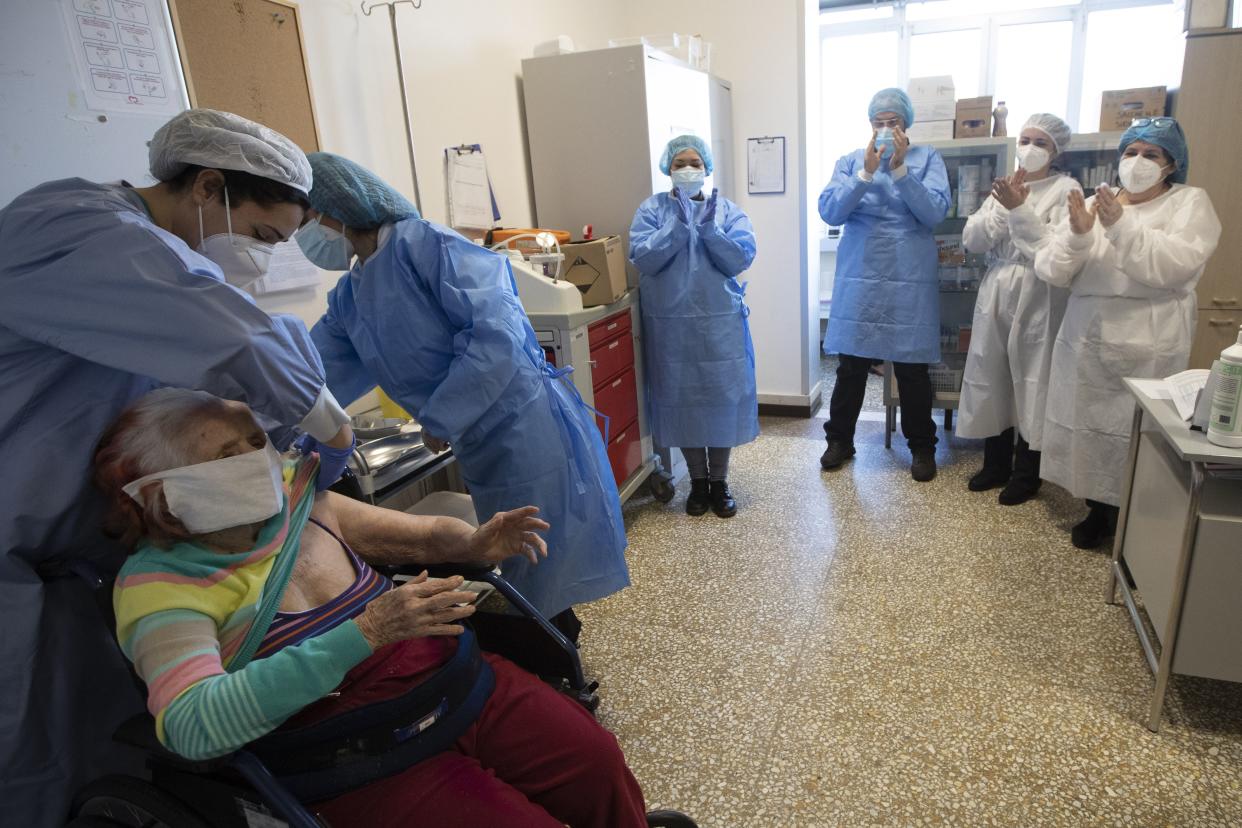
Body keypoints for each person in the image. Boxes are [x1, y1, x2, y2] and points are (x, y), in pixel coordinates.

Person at [0, 109, 356, 823]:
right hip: (18, 555)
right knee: (30, 755)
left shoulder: (166, 269)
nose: (259, 258)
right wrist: (318, 410)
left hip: (82, 556)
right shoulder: (71, 227)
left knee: (102, 749)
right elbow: (228, 334)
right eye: (261, 237)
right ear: (208, 186)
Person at [97, 388, 649, 827]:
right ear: (162, 494)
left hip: (458, 685)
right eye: (224, 455)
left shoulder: (300, 500)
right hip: (361, 756)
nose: (256, 459)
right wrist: (366, 631)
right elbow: (193, 726)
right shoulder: (162, 587)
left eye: (254, 439)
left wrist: (474, 543)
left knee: (596, 761)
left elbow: (423, 538)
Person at [295, 152, 629, 626]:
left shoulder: (423, 244)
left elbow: (497, 336)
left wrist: (441, 415)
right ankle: (549, 642)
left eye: (306, 217)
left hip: (518, 420)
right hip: (476, 434)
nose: (301, 232)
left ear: (338, 205)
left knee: (538, 550)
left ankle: (558, 651)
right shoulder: (352, 294)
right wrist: (270, 415)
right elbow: (313, 370)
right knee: (510, 545)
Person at [1034, 117, 1221, 548]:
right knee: (1088, 426)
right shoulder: (1094, 202)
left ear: (1172, 164)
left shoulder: (1189, 203)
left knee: (1138, 433)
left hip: (1148, 335)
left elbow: (1174, 265)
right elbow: (1051, 270)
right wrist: (1080, 236)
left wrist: (1121, 226)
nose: (1138, 162)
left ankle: (1137, 522)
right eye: (1131, 152)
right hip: (1087, 333)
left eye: (1151, 154)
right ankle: (1098, 510)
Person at [818, 88, 951, 481]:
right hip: (862, 274)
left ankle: (922, 447)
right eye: (880, 122)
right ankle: (839, 441)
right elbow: (831, 210)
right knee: (851, 365)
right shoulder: (850, 161)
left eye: (893, 121)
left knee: (911, 369)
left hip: (908, 275)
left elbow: (934, 213)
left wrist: (899, 170)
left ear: (906, 124)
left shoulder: (926, 159)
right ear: (870, 125)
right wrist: (866, 172)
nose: (886, 127)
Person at [628, 134, 759, 518]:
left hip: (720, 325)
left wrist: (709, 230)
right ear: (668, 168)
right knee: (683, 400)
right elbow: (643, 258)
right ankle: (697, 483)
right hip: (671, 326)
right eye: (679, 163)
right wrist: (677, 229)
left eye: (694, 162)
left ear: (706, 167)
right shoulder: (652, 211)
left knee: (719, 399)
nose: (687, 169)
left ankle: (719, 482)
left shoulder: (727, 211)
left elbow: (740, 258)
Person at [957, 114, 1081, 505]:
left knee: (1032, 379)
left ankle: (1027, 474)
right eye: (1025, 139)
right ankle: (995, 464)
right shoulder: (1003, 186)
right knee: (990, 373)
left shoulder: (1066, 189)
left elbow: (1056, 248)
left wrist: (1019, 210)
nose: (1029, 148)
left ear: (1055, 150)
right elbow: (973, 239)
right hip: (998, 285)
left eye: (1040, 142)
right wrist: (1001, 207)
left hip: (1039, 291)